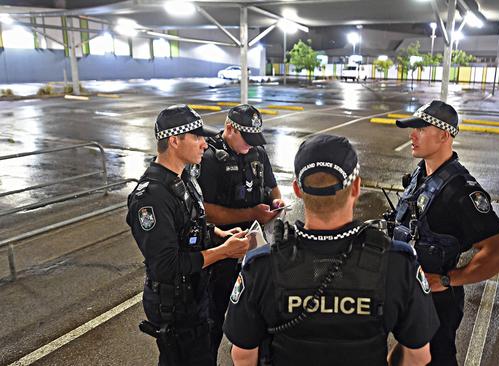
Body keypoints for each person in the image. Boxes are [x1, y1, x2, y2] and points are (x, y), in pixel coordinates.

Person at [224, 134, 438, 366]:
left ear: (297, 189)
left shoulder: (261, 265)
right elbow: (418, 356)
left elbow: (243, 355)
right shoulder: (397, 263)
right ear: (356, 187)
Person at [392, 100, 499, 366]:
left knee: (438, 359)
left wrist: (447, 280)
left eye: (421, 129)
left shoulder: (461, 191)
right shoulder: (422, 173)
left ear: (444, 135)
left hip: (437, 305)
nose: (412, 135)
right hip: (412, 296)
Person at [126, 104, 250, 366]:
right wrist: (224, 252)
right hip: (174, 303)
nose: (204, 144)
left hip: (193, 292)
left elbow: (192, 225)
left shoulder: (183, 177)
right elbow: (166, 264)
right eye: (197, 137)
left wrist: (220, 234)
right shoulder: (152, 197)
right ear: (174, 141)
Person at [196, 103, 285, 360]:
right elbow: (206, 210)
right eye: (246, 138)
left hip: (256, 248)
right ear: (229, 129)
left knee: (260, 316)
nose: (250, 144)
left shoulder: (257, 151)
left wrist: (277, 202)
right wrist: (251, 214)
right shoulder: (209, 157)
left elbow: (272, 187)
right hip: (222, 252)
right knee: (213, 319)